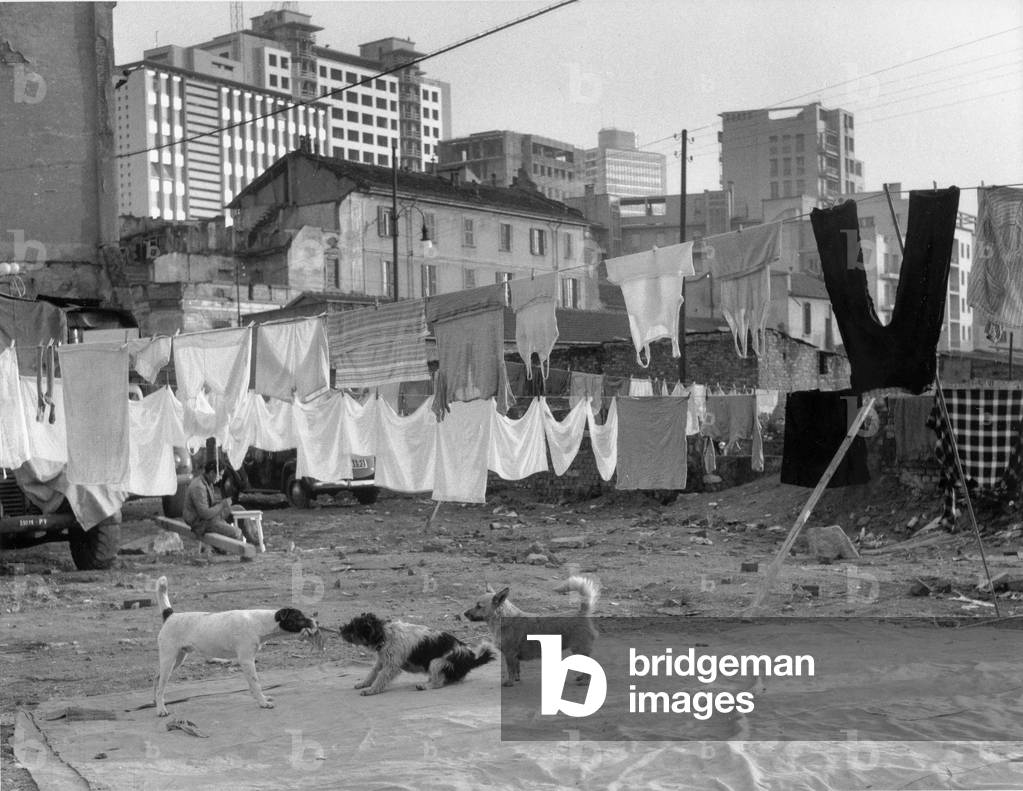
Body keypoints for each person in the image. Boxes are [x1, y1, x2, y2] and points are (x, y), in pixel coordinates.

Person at [183, 460, 255, 545]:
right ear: (212, 473)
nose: (221, 478)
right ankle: (225, 550)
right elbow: (205, 514)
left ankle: (252, 538)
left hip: (210, 517)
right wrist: (222, 504)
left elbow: (209, 503)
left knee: (239, 509)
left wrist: (221, 503)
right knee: (237, 533)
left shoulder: (207, 482)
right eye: (220, 475)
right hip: (201, 523)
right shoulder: (199, 487)